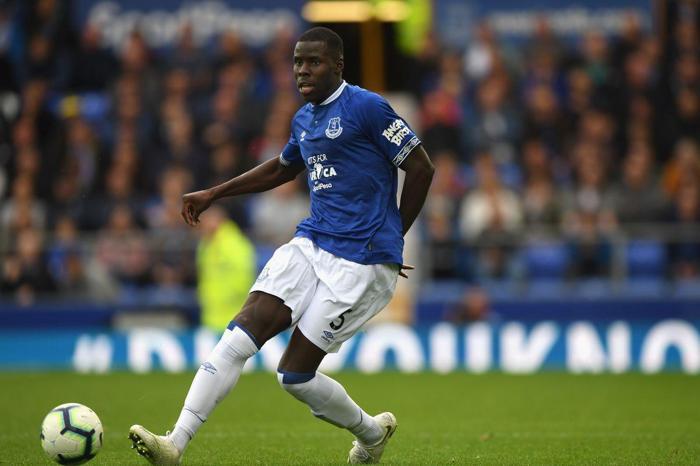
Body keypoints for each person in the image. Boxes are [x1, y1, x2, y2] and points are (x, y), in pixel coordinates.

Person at [128, 27, 434, 465]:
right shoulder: (304, 119)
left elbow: (421, 168)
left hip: (363, 260)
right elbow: (282, 169)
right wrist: (214, 193)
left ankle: (371, 434)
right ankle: (174, 444)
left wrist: (394, 236)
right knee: (239, 335)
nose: (302, 71)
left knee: (294, 377)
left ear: (338, 65)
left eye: (313, 62)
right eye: (297, 62)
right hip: (311, 242)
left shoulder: (367, 107)